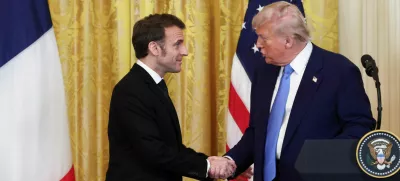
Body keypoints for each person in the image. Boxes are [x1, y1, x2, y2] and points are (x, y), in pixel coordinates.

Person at [224, 1, 376, 181]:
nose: (258, 44)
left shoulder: (338, 71)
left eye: (263, 38)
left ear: (288, 41)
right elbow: (257, 131)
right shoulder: (264, 72)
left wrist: (324, 159)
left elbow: (359, 126)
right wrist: (231, 161)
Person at [105, 14, 236, 181]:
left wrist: (208, 162)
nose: (185, 51)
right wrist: (208, 167)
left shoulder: (152, 85)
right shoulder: (130, 90)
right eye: (177, 44)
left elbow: (170, 148)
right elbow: (153, 151)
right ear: (154, 48)